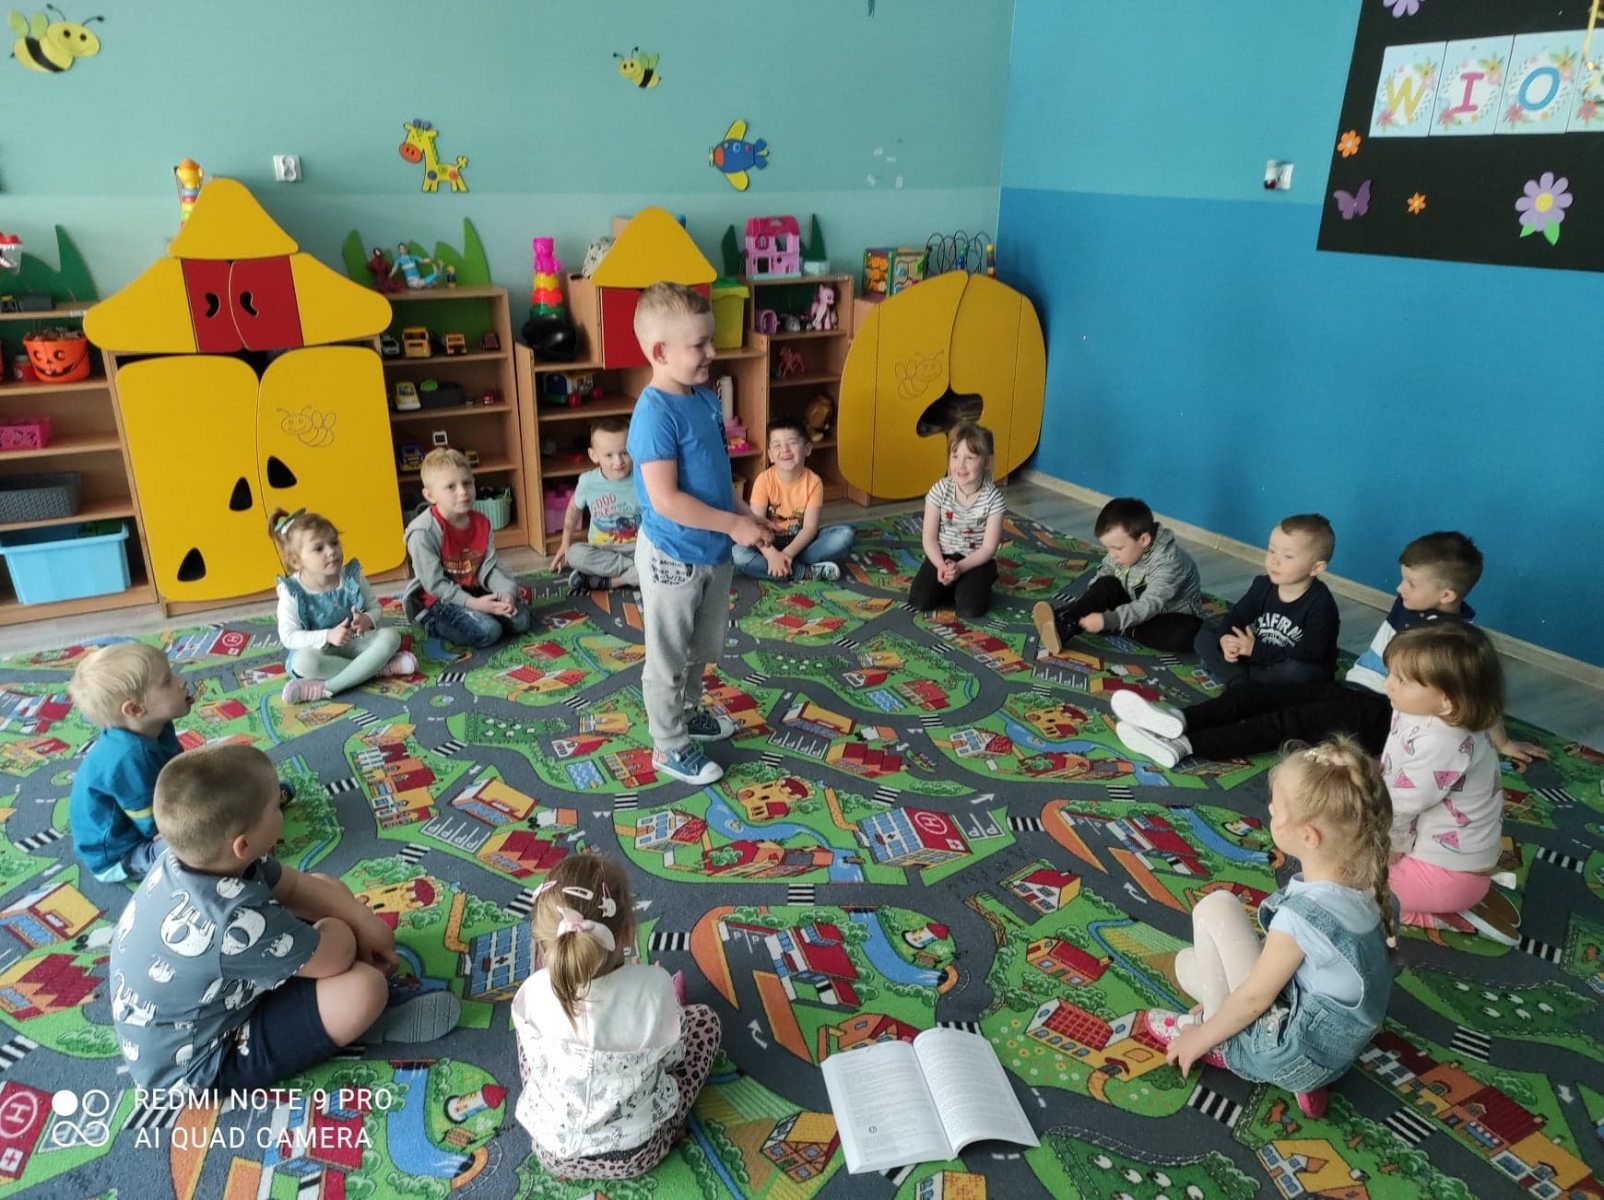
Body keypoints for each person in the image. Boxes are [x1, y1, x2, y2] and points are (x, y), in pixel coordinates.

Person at [109, 743, 460, 1094]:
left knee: (327, 888)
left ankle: (318, 1001)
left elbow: (296, 887)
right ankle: (366, 1019)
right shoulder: (231, 921)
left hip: (213, 994)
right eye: (276, 807)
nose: (283, 809)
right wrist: (342, 927)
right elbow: (335, 957)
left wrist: (366, 923)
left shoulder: (187, 859)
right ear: (242, 845)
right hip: (203, 1061)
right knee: (363, 988)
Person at [1112, 531, 1548, 769]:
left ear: (1447, 595)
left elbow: (1479, 695)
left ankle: (1185, 745)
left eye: (1410, 583)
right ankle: (1178, 719)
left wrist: (1503, 742)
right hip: (1351, 688)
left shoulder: (1453, 641)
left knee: (1286, 723)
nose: (1399, 589)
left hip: (1382, 713)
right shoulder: (1413, 602)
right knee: (1254, 695)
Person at [1145, 737, 1394, 1118]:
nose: (1269, 813)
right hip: (1334, 1051)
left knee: (1215, 909)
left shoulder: (1303, 917)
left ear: (1309, 836)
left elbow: (1254, 1000)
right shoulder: (1372, 889)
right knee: (1186, 964)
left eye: (1276, 813)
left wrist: (1201, 1038)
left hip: (1280, 1049)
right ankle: (1299, 1075)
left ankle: (1216, 1033)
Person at [627, 282, 771, 786]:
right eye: (699, 345)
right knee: (668, 656)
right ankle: (668, 745)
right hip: (673, 556)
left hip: (712, 550)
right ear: (660, 352)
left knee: (700, 647)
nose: (712, 352)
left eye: (710, 340)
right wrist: (733, 525)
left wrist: (745, 515)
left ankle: (687, 715)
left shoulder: (705, 399)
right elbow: (666, 499)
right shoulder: (654, 414)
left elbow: (716, 476)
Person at [513, 853, 720, 1180]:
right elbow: (674, 1058)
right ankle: (674, 1126)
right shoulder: (655, 987)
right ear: (627, 933)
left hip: (552, 1151)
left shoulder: (532, 992)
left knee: (528, 1037)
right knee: (705, 1021)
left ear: (543, 943)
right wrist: (661, 1002)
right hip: (637, 1154)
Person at [1381, 623, 1513, 941]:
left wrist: (1387, 850)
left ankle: (1437, 912)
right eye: (1391, 674)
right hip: (1450, 861)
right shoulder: (1422, 710)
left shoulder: (1441, 740)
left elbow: (1401, 807)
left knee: (1347, 880)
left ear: (1446, 701)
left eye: (1401, 680)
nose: (1387, 685)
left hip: (1447, 876)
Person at [67, 642, 191, 883]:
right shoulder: (128, 758)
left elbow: (179, 768)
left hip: (154, 805)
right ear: (135, 709)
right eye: (167, 681)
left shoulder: (158, 724)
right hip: (121, 854)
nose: (181, 682)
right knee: (203, 840)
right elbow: (154, 825)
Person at [271, 508, 417, 705]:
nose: (331, 551)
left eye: (334, 542)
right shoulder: (292, 592)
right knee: (302, 663)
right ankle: (378, 668)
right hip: (322, 654)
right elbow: (289, 636)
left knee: (391, 637)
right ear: (296, 561)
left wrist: (366, 619)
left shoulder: (352, 577)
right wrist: (327, 635)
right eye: (319, 548)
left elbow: (375, 608)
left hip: (356, 643)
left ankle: (328, 688)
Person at [1032, 497, 1204, 654]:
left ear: (1143, 540)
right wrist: (1092, 600)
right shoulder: (1124, 550)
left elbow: (1150, 604)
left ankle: (1124, 628)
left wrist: (1110, 620)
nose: (1112, 554)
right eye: (1108, 548)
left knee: (1185, 636)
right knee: (1105, 584)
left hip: (1165, 614)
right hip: (1132, 601)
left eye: (1117, 548)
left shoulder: (1168, 561)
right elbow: (1106, 571)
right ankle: (1066, 622)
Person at [403, 447, 532, 649]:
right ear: (430, 495)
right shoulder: (422, 532)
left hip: (473, 588)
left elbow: (488, 568)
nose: (463, 492)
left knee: (521, 620)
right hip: (440, 601)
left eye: (467, 483)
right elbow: (435, 585)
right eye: (450, 487)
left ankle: (482, 613)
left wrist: (506, 594)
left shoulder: (481, 523)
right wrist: (476, 604)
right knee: (489, 631)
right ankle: (432, 624)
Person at [1195, 513, 1340, 688]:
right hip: (1262, 655)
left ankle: (1237, 678)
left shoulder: (1321, 604)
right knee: (1207, 633)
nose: (1274, 561)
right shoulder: (1263, 585)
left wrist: (1255, 650)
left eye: (1288, 556)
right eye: (1272, 551)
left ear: (1316, 568)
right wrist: (1226, 639)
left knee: (1298, 671)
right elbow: (1238, 615)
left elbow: (1310, 653)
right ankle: (1242, 682)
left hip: (1295, 663)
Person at [734, 416, 854, 583]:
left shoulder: (814, 482)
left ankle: (785, 566)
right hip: (769, 542)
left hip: (801, 544)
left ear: (807, 449)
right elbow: (757, 527)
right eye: (777, 445)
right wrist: (773, 555)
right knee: (738, 554)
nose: (785, 449)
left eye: (792, 443)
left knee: (844, 535)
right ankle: (802, 572)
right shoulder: (764, 480)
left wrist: (786, 555)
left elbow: (810, 528)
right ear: (770, 455)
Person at [908, 422, 1006, 618]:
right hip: (942, 556)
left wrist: (960, 568)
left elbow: (988, 548)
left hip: (975, 561)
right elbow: (929, 538)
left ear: (987, 461)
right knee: (919, 600)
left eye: (970, 458)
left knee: (970, 609)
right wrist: (941, 565)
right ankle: (954, 583)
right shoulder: (939, 490)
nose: (960, 465)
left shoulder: (994, 499)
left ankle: (980, 580)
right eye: (955, 456)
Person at [551, 416, 642, 593]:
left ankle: (612, 582)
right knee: (574, 554)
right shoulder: (587, 482)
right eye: (609, 455)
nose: (618, 462)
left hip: (637, 547)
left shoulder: (643, 478)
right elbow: (574, 509)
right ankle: (636, 571)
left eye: (624, 453)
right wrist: (565, 542)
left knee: (667, 559)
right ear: (593, 455)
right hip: (602, 550)